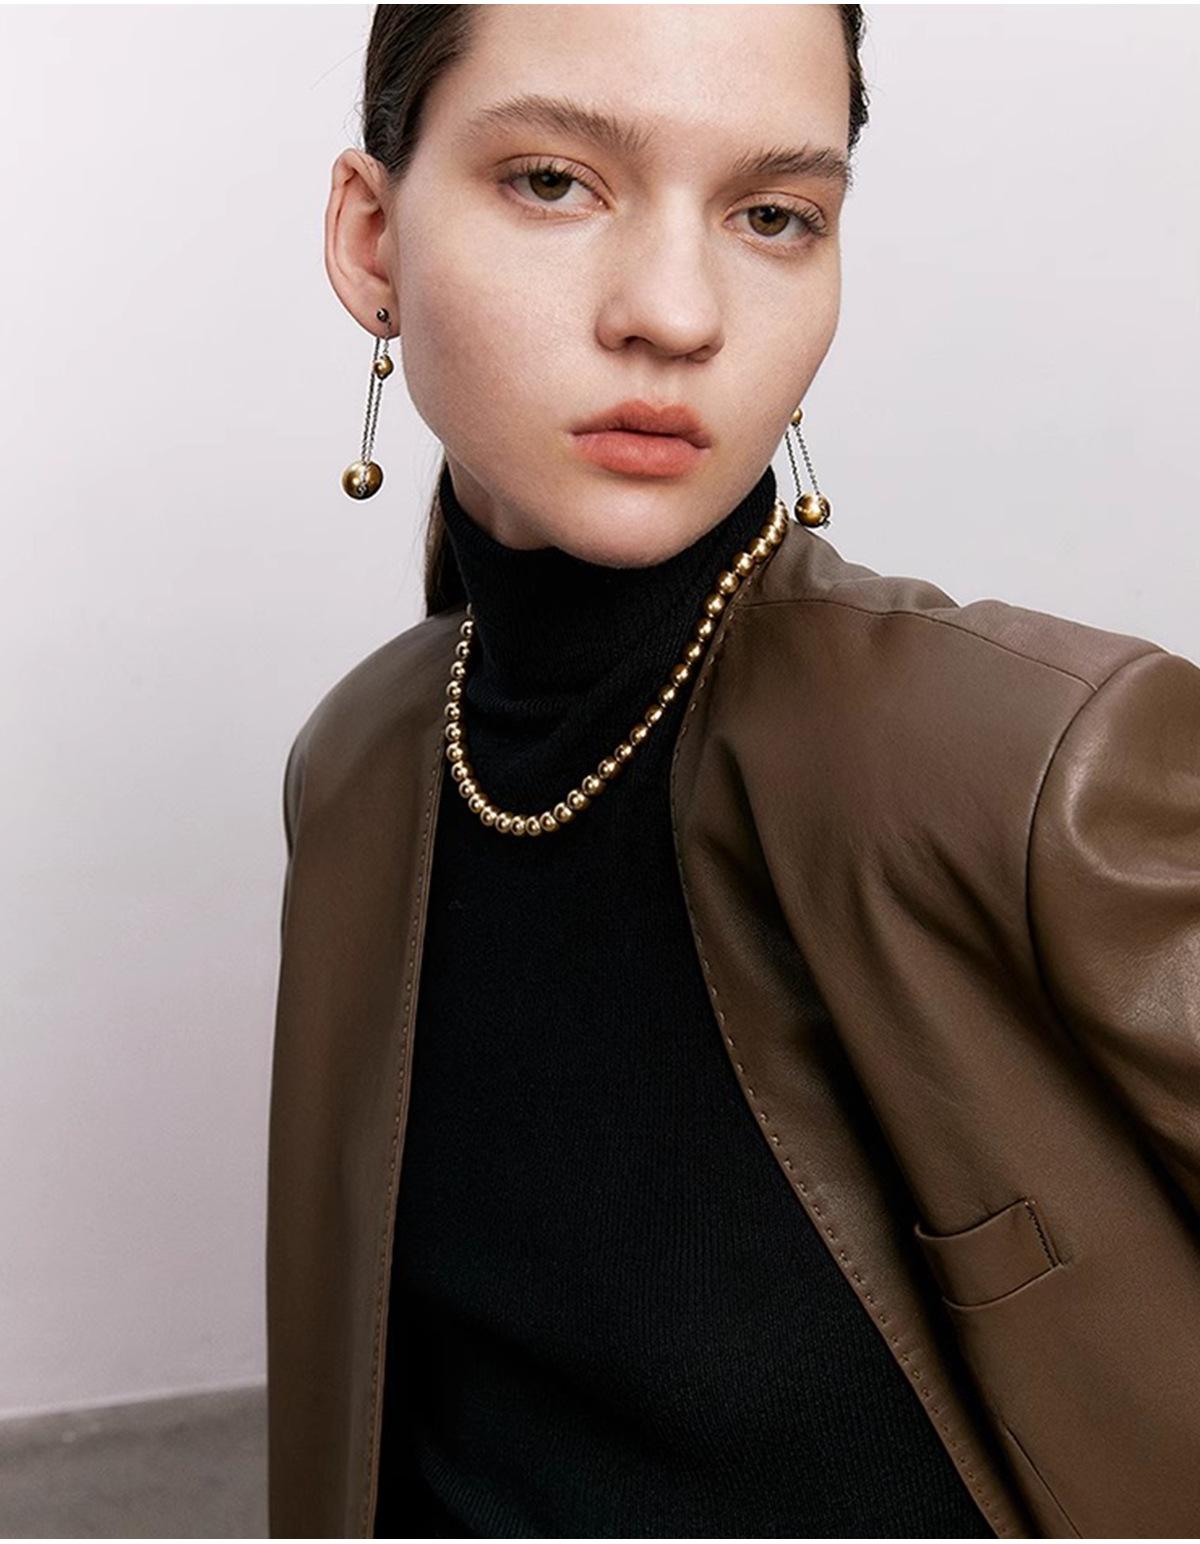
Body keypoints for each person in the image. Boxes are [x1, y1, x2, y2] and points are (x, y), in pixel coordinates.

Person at [267, 5, 1200, 1540]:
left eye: (773, 215)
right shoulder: (360, 767)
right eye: (555, 182)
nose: (677, 313)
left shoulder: (1035, 760)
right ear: (372, 240)